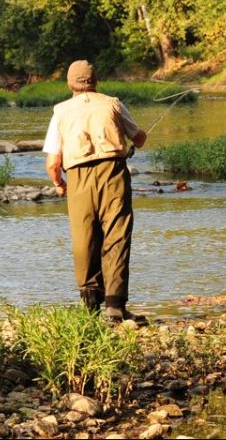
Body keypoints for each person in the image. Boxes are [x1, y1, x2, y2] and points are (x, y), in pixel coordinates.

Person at [43, 60, 148, 322]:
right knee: (117, 235)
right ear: (95, 81)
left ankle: (89, 307)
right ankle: (115, 306)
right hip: (113, 173)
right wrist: (136, 139)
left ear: (69, 84)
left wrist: (59, 184)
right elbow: (139, 138)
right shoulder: (113, 103)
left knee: (84, 237)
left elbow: (53, 162)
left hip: (78, 178)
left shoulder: (60, 111)